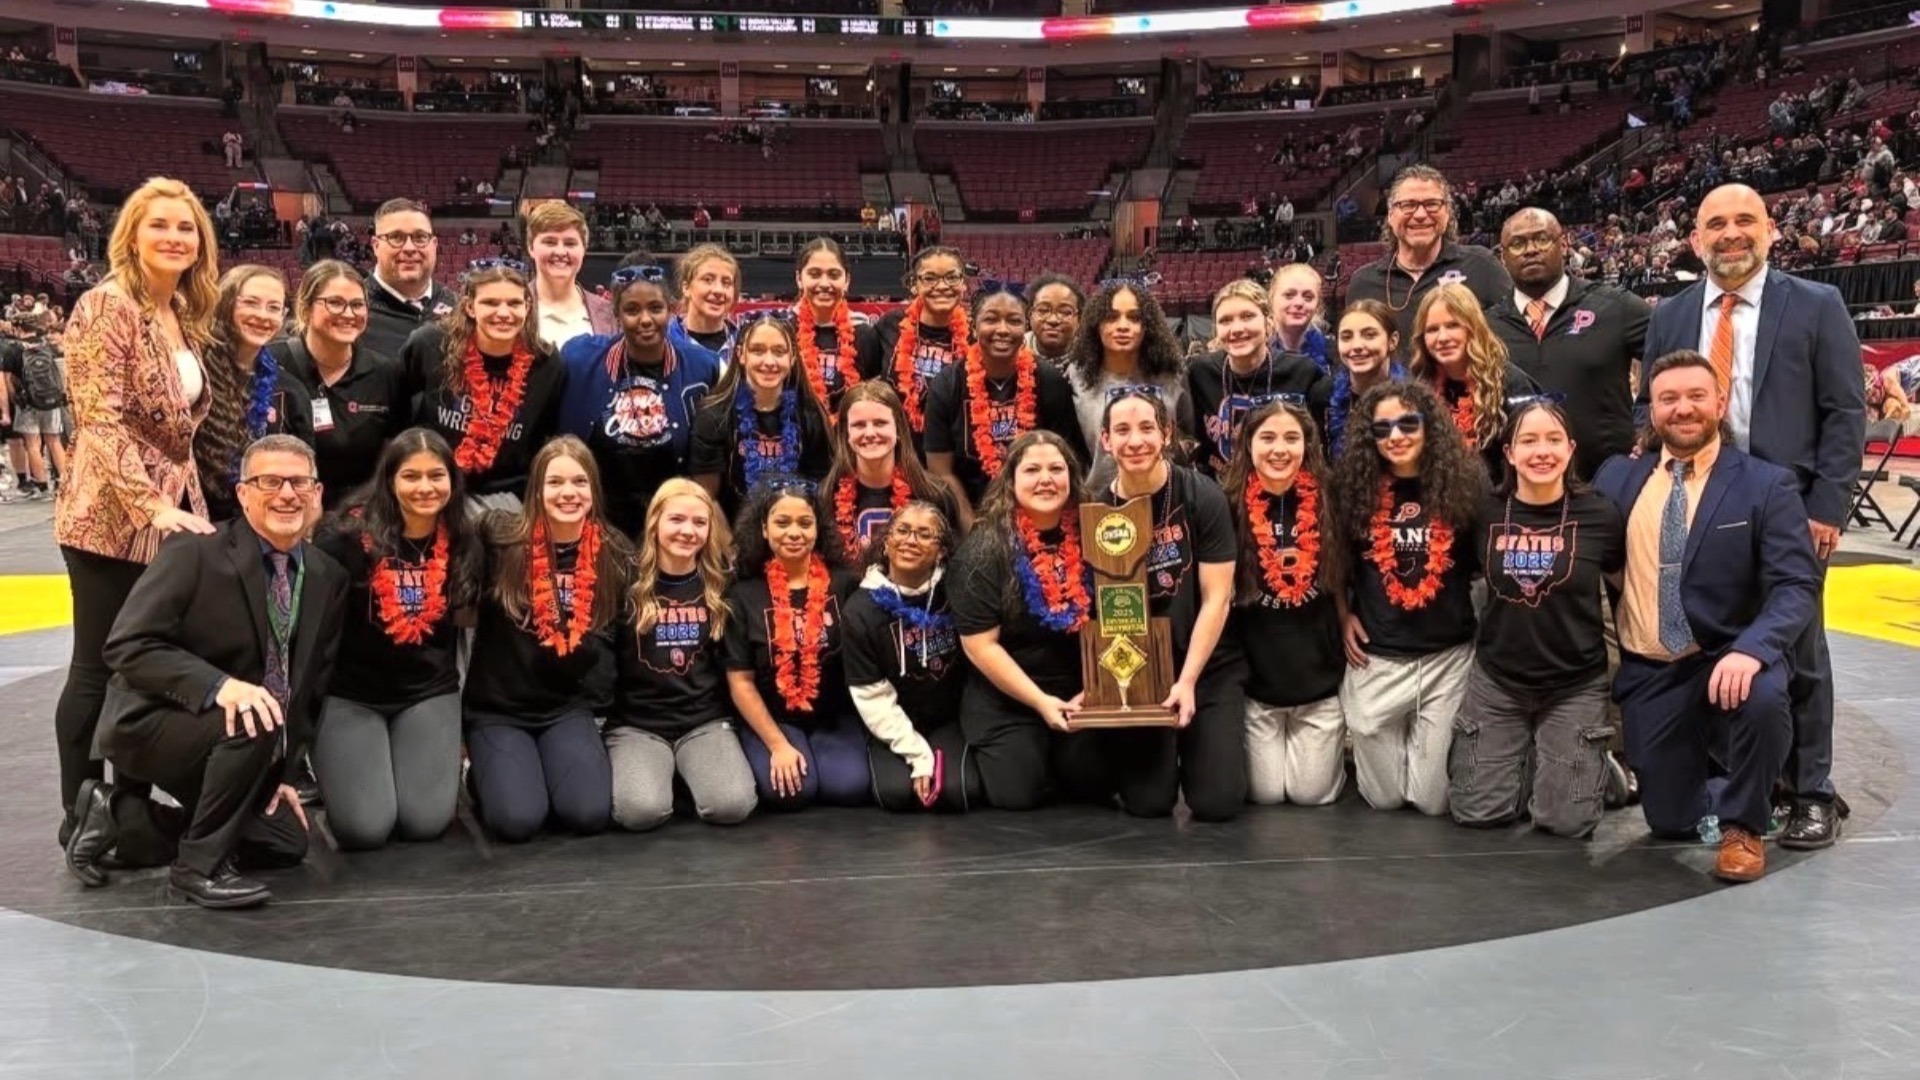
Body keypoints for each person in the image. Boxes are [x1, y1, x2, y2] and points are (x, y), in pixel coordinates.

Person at [1640, 183, 1865, 849]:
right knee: (1714, 644)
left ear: (1770, 230)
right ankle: (1749, 782)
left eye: (1744, 221)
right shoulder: (1673, 315)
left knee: (1801, 654)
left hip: (1788, 508)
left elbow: (1845, 412)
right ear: (1695, 240)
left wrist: (1826, 506)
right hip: (1698, 504)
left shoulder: (1817, 305)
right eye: (1716, 223)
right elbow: (1648, 406)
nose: (1731, 233)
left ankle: (1813, 790)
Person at [70, 436, 346, 909]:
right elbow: (127, 645)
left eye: (299, 482)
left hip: (245, 740)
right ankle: (197, 870)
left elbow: (311, 687)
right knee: (255, 716)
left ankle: (120, 816)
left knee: (284, 843)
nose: (287, 494)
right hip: (154, 723)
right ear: (242, 493)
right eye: (270, 482)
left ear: (317, 492)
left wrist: (282, 773)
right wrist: (219, 687)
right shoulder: (195, 552)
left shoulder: (327, 575)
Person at [1594, 350, 1820, 882]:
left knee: (1763, 696)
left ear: (1720, 401)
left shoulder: (1766, 484)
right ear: (1652, 411)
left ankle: (1745, 823)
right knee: (1670, 820)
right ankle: (1760, 781)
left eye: (1697, 395)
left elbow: (1796, 584)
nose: (1683, 409)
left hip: (1727, 652)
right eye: (1668, 398)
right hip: (1652, 666)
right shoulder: (1617, 479)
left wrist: (1751, 648)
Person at [53, 176, 221, 857]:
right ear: (132, 233)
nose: (175, 238)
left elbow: (179, 429)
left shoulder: (179, 309)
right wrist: (148, 503)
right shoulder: (105, 305)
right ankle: (79, 809)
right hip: (109, 514)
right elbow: (99, 420)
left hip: (174, 515)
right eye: (161, 226)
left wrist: (179, 506)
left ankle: (127, 806)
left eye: (187, 228)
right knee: (98, 664)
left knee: (147, 665)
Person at [1450, 401, 1624, 838]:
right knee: (1477, 813)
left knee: (1566, 822)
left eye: (1553, 440)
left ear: (1570, 450)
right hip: (1498, 680)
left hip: (1574, 683)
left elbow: (1626, 589)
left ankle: (1584, 764)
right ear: (1509, 453)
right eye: (1528, 441)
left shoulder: (1600, 515)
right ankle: (1537, 759)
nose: (1541, 451)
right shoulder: (1484, 513)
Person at [310, 429, 483, 850]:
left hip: (426, 692)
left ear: (452, 481)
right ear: (389, 480)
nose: (425, 487)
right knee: (365, 830)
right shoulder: (345, 541)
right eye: (411, 476)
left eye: (436, 475)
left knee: (425, 824)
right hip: (352, 694)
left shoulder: (464, 539)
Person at [1078, 385, 1244, 820]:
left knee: (1217, 803)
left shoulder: (1201, 495)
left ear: (1166, 433)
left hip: (1205, 664)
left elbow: (1218, 597)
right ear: (1106, 440)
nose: (1136, 441)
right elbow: (1098, 609)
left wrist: (1188, 680)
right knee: (1148, 803)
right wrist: (1102, 682)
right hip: (1139, 669)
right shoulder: (1097, 510)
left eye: (1147, 428)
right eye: (1123, 430)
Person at [1329, 379, 1486, 815]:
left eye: (1407, 423)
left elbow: (1482, 566)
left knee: (1432, 802)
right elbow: (1337, 566)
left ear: (1429, 424)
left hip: (1445, 658)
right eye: (1382, 429)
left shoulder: (1466, 484)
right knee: (1384, 799)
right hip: (1377, 658)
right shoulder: (1353, 490)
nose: (1395, 437)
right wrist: (1343, 615)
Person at [463, 437, 632, 842]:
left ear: (594, 490)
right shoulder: (499, 542)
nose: (568, 493)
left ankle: (534, 773)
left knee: (587, 813)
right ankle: (482, 778)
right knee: (518, 822)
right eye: (555, 483)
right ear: (536, 490)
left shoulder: (614, 554)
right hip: (498, 710)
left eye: (579, 482)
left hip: (565, 709)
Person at [605, 479, 758, 830]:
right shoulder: (625, 583)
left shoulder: (722, 587)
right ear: (654, 522)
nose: (688, 531)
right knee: (639, 812)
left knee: (731, 806)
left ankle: (688, 773)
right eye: (676, 520)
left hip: (703, 722)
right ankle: (662, 774)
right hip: (638, 726)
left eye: (699, 522)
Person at [948, 431, 1089, 810]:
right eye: (1032, 470)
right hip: (1006, 698)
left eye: (1056, 469)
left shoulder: (1097, 535)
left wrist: (1101, 689)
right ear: (1010, 482)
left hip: (1080, 693)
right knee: (1016, 794)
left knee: (1093, 784)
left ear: (1072, 479)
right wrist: (1041, 702)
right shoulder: (983, 550)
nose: (1046, 479)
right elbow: (980, 646)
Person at [1224, 399, 1346, 806]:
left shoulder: (1331, 500)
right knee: (1267, 795)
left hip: (1318, 686)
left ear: (1307, 444)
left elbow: (1346, 580)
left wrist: (1346, 620)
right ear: (1248, 445)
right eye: (1268, 437)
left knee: (1310, 795)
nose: (1280, 449)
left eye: (1292, 438)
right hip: (1259, 690)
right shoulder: (1226, 504)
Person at [723, 480, 869, 809]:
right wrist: (777, 744)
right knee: (791, 793)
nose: (794, 533)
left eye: (805, 523)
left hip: (834, 717)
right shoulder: (743, 594)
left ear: (818, 529)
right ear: (763, 528)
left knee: (849, 788)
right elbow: (740, 682)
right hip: (774, 719)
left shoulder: (845, 584)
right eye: (781, 522)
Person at [557, 257, 719, 537]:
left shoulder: (703, 367)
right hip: (598, 524)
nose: (645, 319)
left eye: (655, 308)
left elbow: (712, 455)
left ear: (671, 309)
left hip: (672, 526)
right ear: (616, 314)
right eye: (632, 309)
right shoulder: (580, 359)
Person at [1486, 208, 1651, 481]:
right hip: (1516, 493)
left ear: (1563, 245)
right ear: (1503, 257)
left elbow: (1675, 359)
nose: (1530, 250)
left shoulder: (1616, 306)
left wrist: (1648, 427)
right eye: (1517, 244)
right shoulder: (1486, 327)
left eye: (1541, 239)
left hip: (1607, 484)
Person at [845, 501, 978, 812]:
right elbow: (871, 695)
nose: (910, 541)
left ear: (942, 550)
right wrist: (917, 754)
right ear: (886, 541)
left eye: (924, 534)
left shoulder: (958, 591)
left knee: (957, 793)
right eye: (902, 531)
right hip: (891, 716)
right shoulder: (860, 609)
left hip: (948, 718)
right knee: (896, 796)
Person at [401, 262, 563, 509]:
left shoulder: (547, 364)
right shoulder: (430, 345)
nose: (504, 313)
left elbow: (545, 439)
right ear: (469, 307)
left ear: (528, 307)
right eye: (490, 303)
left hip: (508, 496)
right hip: (434, 486)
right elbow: (398, 413)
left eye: (514, 303)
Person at [924, 287, 1085, 528]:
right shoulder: (947, 384)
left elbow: (1065, 462)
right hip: (968, 511)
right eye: (991, 319)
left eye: (1014, 320)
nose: (1002, 330)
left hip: (1035, 514)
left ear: (1025, 327)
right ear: (974, 325)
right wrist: (971, 527)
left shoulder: (1049, 381)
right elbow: (940, 471)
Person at [270, 260, 411, 510]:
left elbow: (393, 460)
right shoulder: (271, 363)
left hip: (357, 516)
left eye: (357, 305)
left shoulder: (387, 373)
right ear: (305, 307)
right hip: (282, 507)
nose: (348, 314)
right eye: (335, 302)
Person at [689, 314, 834, 523]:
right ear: (741, 354)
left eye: (779, 352)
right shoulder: (713, 416)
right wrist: (733, 552)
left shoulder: (810, 414)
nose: (769, 361)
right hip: (728, 537)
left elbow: (820, 493)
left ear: (792, 358)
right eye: (758, 350)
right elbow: (707, 500)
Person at [1344, 164, 1513, 343]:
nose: (1420, 214)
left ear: (1447, 213)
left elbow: (1514, 338)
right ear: (1391, 215)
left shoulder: (1482, 265)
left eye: (1432, 204)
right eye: (1408, 205)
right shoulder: (1362, 283)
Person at [193, 266, 308, 523]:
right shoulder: (193, 376)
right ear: (225, 304)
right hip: (196, 525)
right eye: (251, 303)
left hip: (262, 527)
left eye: (274, 307)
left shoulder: (290, 389)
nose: (262, 315)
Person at [1188, 278, 1329, 478]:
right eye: (1225, 320)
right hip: (1219, 496)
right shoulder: (1200, 373)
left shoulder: (1303, 372)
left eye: (1247, 317)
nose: (1236, 329)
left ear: (1268, 323)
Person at [1406, 282, 1539, 479]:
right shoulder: (1419, 387)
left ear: (1473, 328)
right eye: (1432, 329)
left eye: (1453, 325)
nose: (1442, 337)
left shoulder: (1510, 383)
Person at [819, 381, 957, 563]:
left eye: (880, 423)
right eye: (859, 425)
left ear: (898, 428)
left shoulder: (935, 495)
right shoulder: (825, 497)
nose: (870, 433)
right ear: (846, 434)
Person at [1066, 279, 1189, 476]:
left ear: (1147, 325)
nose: (1123, 326)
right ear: (1096, 324)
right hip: (1100, 498)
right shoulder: (1075, 376)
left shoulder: (1171, 373)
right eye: (1112, 317)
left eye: (1134, 318)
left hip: (1166, 494)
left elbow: (1188, 440)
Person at [857, 245, 971, 450]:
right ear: (914, 285)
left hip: (948, 455)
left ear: (963, 284)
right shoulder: (891, 325)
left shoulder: (974, 338)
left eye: (952, 277)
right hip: (894, 450)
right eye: (930, 278)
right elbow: (865, 384)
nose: (942, 286)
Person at [362, 198, 456, 361]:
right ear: (375, 246)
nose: (409, 248)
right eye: (396, 237)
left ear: (434, 245)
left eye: (420, 237)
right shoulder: (352, 311)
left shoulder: (458, 308)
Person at [792, 237, 875, 417]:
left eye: (834, 274)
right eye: (814, 274)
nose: (824, 284)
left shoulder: (864, 334)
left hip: (847, 439)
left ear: (847, 281)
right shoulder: (784, 331)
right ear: (799, 278)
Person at [525, 202, 614, 351]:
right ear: (531, 248)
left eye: (570, 243)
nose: (560, 252)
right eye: (550, 242)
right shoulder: (512, 310)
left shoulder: (609, 313)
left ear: (584, 250)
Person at [1325, 299, 1406, 456]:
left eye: (1369, 335)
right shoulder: (1324, 397)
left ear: (1393, 341)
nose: (1356, 346)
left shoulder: (1413, 400)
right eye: (1346, 337)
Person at [667, 242, 740, 373]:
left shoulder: (743, 344)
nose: (719, 290)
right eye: (708, 279)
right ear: (686, 287)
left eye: (726, 282)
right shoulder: (665, 342)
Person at [1267, 263, 1333, 373]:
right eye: (1289, 295)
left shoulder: (1333, 355)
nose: (1298, 303)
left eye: (1308, 297)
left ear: (1317, 305)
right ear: (1271, 298)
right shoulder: (1255, 352)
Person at [1026, 272, 1083, 370]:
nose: (1053, 320)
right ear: (1030, 315)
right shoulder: (1013, 353)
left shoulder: (1093, 358)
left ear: (1079, 319)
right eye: (1043, 310)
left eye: (1065, 312)